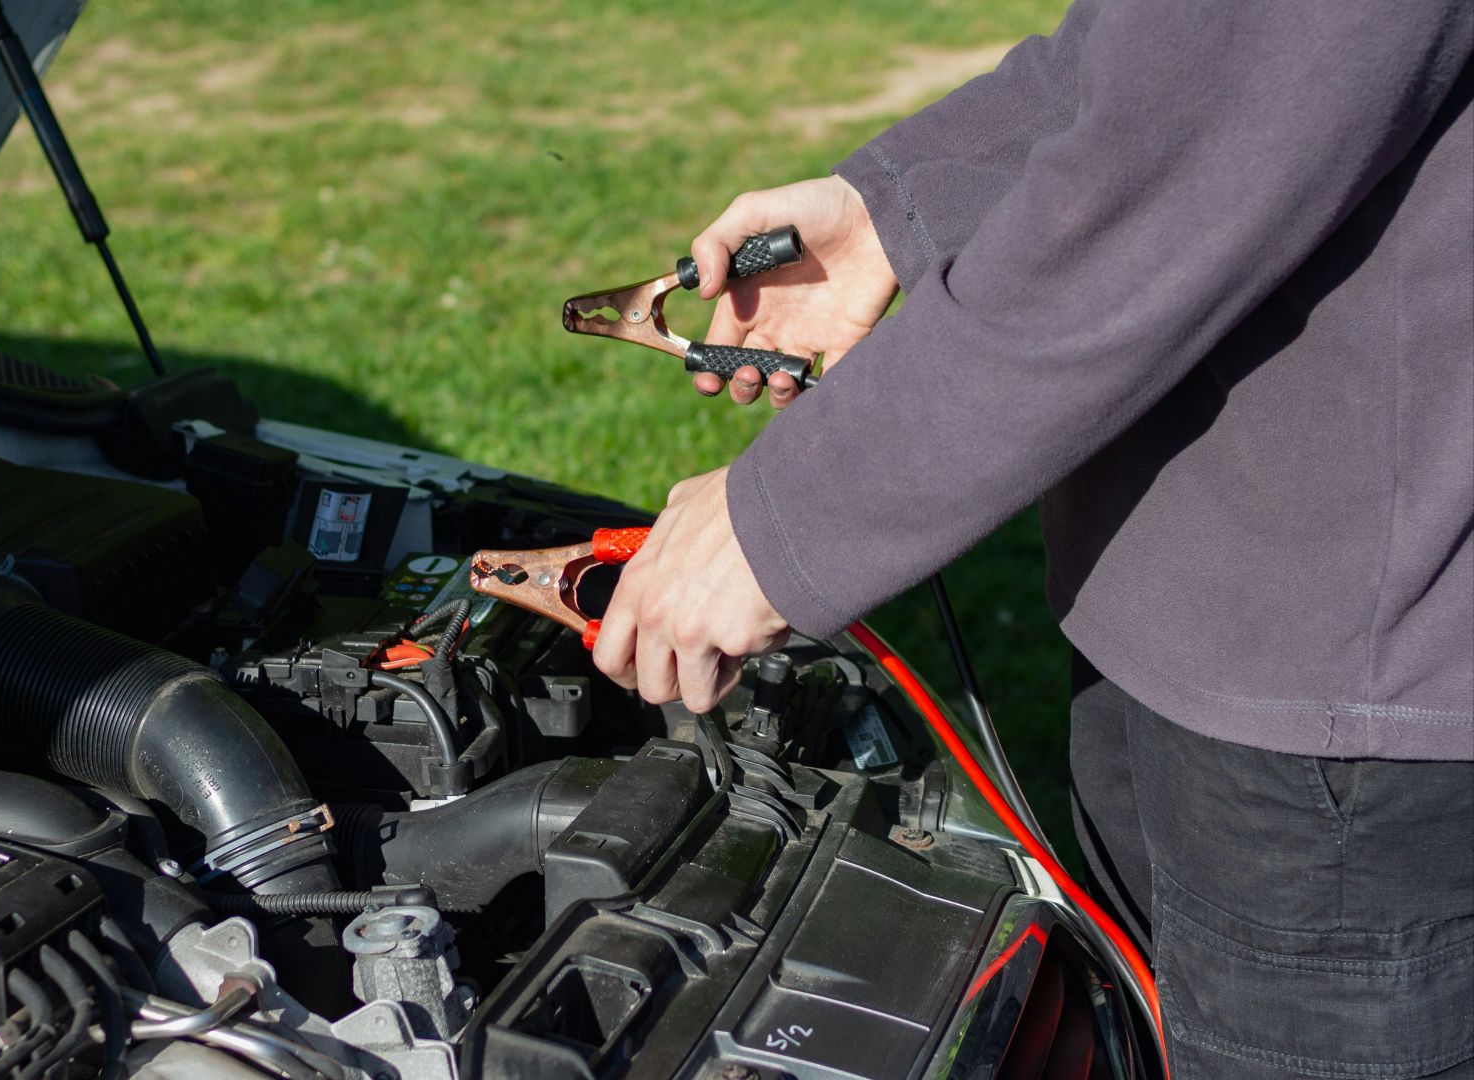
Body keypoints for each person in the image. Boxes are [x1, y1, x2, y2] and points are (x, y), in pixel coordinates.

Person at [587, 1, 1474, 1076]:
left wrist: (782, 519)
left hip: (1348, 723)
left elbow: (1164, 192)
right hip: (1174, 614)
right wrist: (890, 207)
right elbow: (1162, 54)